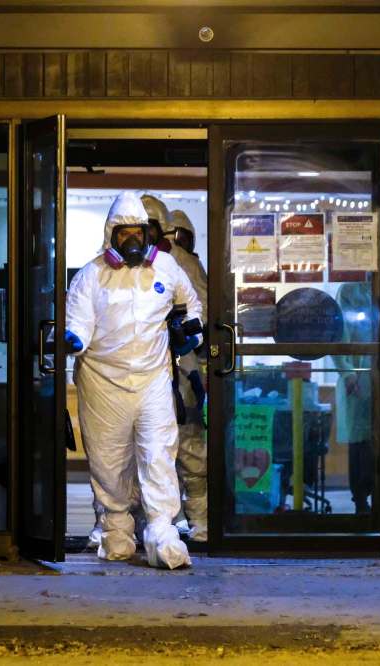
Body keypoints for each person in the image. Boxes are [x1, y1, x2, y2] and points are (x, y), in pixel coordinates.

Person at [65, 192, 202, 569]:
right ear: (112, 234)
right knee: (109, 464)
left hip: (152, 380)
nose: (132, 241)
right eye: (123, 233)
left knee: (159, 455)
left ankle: (162, 532)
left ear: (146, 233)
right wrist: (72, 339)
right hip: (103, 382)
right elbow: (77, 320)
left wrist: (192, 331)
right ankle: (116, 533)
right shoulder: (91, 276)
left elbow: (192, 305)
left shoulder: (168, 269)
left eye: (137, 233)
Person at [164, 209, 209, 542]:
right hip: (156, 368)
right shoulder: (115, 270)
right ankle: (198, 522)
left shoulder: (184, 265)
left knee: (186, 446)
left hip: (181, 366)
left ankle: (188, 521)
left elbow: (203, 315)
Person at [334, 281, 375, 514]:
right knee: (360, 443)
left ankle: (374, 497)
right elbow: (339, 335)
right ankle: (361, 500)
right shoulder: (350, 290)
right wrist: (348, 374)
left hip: (379, 375)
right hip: (358, 377)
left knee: (376, 440)